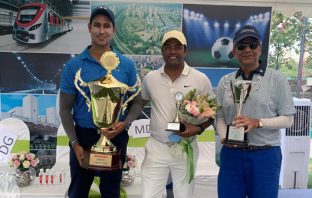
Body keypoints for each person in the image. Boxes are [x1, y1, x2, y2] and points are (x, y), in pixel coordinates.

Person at [123, 30, 214, 198]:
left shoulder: (200, 79)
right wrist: (125, 122)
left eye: (178, 47)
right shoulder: (151, 78)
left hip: (186, 148)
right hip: (157, 148)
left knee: (184, 195)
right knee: (149, 195)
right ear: (162, 51)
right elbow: (140, 102)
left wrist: (198, 128)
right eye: (168, 47)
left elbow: (211, 113)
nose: (173, 51)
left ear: (185, 50)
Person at [59, 6, 137, 198]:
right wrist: (75, 143)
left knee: (111, 192)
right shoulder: (74, 66)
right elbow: (64, 108)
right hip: (83, 138)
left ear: (114, 30)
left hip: (115, 137)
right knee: (78, 192)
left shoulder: (126, 65)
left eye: (107, 26)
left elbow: (138, 101)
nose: (101, 31)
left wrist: (124, 124)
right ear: (89, 28)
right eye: (97, 25)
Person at [216, 24, 296, 198]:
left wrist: (258, 122)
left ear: (260, 48)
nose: (247, 50)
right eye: (241, 46)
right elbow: (220, 117)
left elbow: (288, 119)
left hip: (265, 155)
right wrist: (224, 136)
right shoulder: (225, 81)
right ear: (234, 51)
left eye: (252, 45)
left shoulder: (277, 78)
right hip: (232, 155)